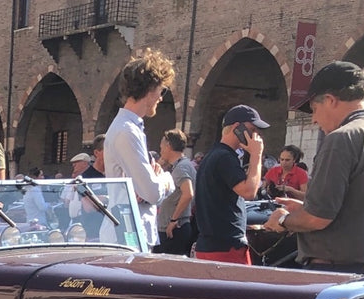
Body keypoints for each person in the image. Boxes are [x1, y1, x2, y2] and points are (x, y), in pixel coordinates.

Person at [262, 61, 364, 270]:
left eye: (314, 109)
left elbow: (317, 218)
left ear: (330, 100)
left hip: (336, 270)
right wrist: (306, 208)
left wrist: (283, 220)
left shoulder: (342, 138)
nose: (314, 119)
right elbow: (360, 207)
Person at [104, 48, 176, 245]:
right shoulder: (127, 131)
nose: (161, 98)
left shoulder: (129, 128)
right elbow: (151, 192)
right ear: (150, 89)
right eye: (162, 91)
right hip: (128, 235)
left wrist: (147, 186)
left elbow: (145, 192)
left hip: (132, 231)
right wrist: (166, 179)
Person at [192, 105, 267, 265]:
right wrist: (256, 155)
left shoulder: (213, 154)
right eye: (252, 129)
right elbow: (249, 191)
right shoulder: (225, 157)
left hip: (212, 244)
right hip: (226, 247)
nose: (256, 135)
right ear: (236, 127)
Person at [156, 129, 196, 255]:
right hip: (176, 227)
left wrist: (173, 220)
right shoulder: (184, 165)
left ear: (168, 146)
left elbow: (188, 194)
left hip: (173, 229)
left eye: (162, 146)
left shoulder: (181, 167)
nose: (161, 150)